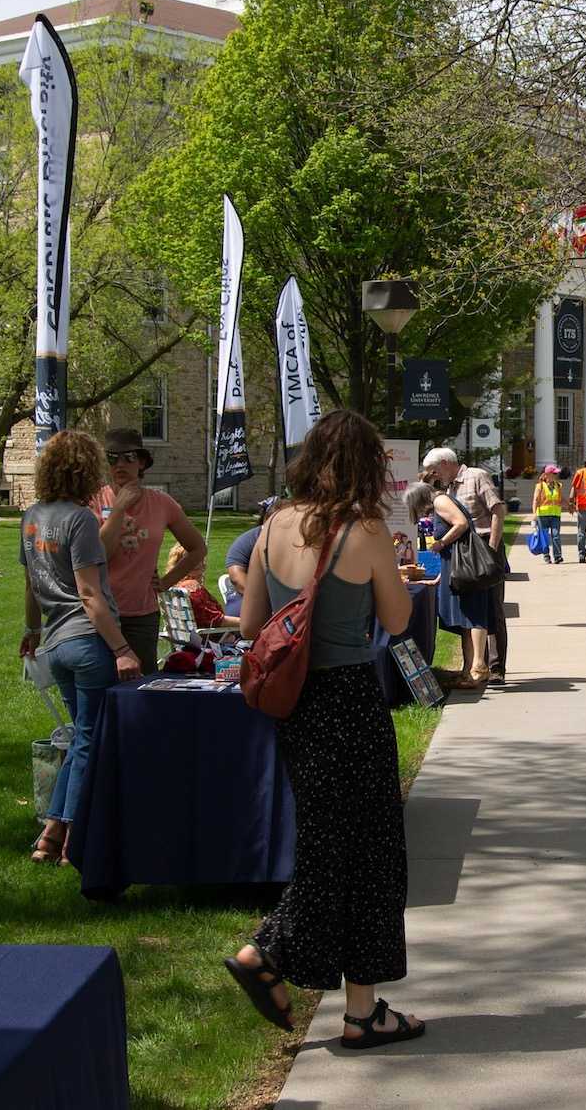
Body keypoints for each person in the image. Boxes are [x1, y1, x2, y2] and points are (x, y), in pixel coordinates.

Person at [225, 409, 424, 1048]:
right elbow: (396, 622)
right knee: (368, 850)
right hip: (348, 701)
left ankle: (362, 1009)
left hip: (297, 707)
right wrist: (392, 568)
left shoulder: (272, 526)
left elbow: (252, 622)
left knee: (328, 841)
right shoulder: (362, 530)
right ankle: (268, 950)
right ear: (366, 465)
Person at [20, 430, 140, 864]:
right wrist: (123, 648)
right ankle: (73, 839)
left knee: (80, 738)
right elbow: (90, 595)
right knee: (90, 740)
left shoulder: (31, 516)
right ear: (85, 470)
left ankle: (52, 834)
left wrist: (31, 632)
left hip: (55, 642)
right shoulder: (80, 519)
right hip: (88, 643)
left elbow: (32, 584)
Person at [95, 429, 207, 673]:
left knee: (140, 688)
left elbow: (198, 548)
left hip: (142, 615)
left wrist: (166, 582)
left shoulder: (161, 503)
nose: (120, 465)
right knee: (101, 690)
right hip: (101, 614)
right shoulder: (96, 501)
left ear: (142, 462)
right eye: (113, 459)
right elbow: (97, 556)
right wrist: (119, 509)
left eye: (128, 458)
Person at [426, 446, 509, 684]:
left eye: (434, 470)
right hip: (464, 553)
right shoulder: (448, 488)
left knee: (492, 608)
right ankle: (472, 667)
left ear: (444, 462)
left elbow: (498, 511)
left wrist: (492, 549)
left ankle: (494, 668)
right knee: (469, 610)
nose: (434, 476)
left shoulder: (476, 476)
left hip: (484, 548)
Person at [405, 478, 488, 686]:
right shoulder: (440, 502)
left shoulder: (440, 502)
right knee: (465, 620)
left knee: (473, 615)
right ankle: (467, 671)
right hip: (457, 569)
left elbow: (461, 523)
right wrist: (441, 577)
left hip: (467, 569)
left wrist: (441, 542)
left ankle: (479, 667)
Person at [165, 540, 241, 631]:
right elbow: (216, 621)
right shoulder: (193, 588)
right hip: (212, 639)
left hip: (187, 640)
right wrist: (248, 623)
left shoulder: (173, 588)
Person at [223, 500, 276, 607]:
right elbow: (236, 577)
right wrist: (265, 602)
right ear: (266, 521)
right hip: (249, 601)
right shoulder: (247, 541)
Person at [532, 464, 565, 565]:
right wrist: (534, 515)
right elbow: (536, 500)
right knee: (544, 536)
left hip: (555, 515)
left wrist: (570, 506)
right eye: (554, 473)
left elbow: (561, 499)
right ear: (547, 474)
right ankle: (546, 556)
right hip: (543, 516)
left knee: (556, 535)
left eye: (556, 473)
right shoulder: (540, 486)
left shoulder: (558, 485)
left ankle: (558, 556)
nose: (556, 475)